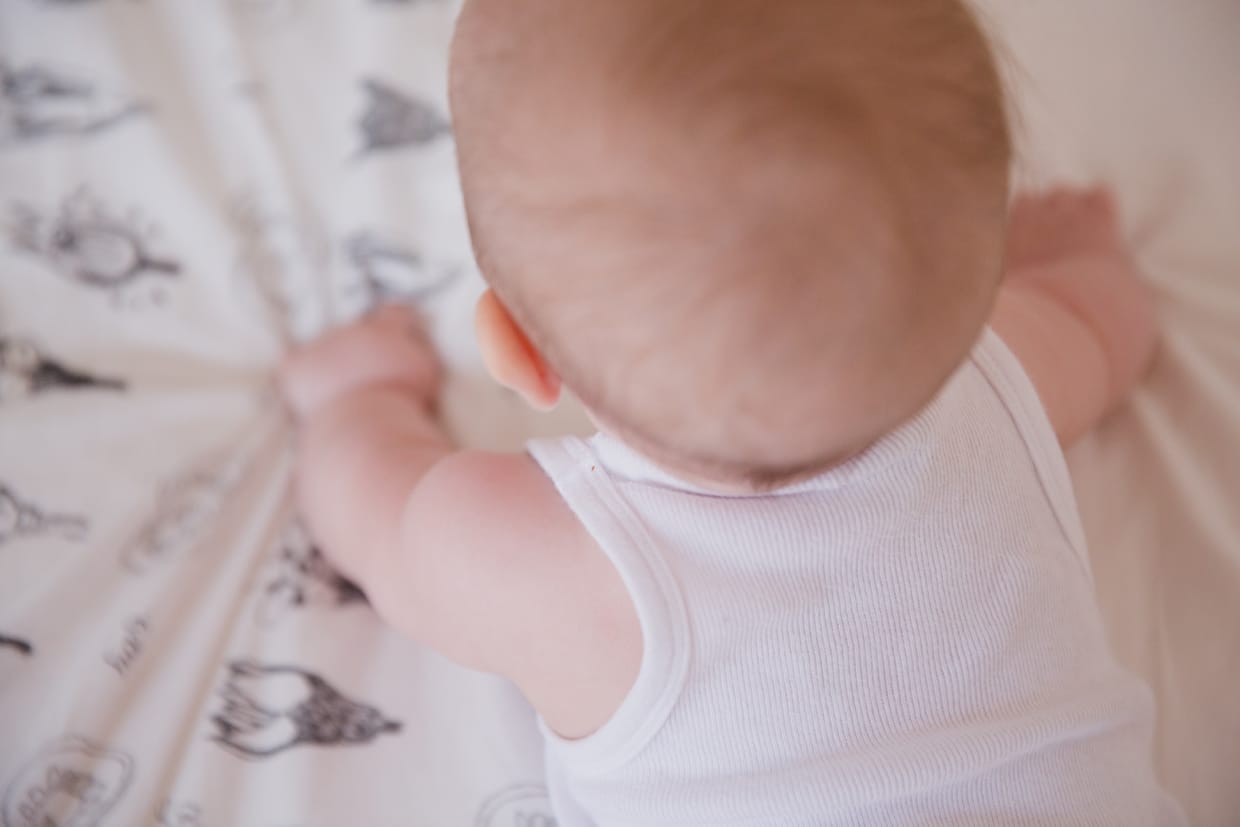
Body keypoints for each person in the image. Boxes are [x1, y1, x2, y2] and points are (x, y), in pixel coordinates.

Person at [281, 0, 1183, 823]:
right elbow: (1110, 323)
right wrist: (1083, 255)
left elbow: (373, 518)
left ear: (517, 352)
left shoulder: (527, 551)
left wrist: (359, 398)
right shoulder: (1006, 369)